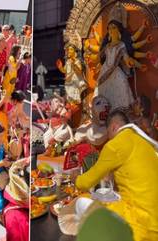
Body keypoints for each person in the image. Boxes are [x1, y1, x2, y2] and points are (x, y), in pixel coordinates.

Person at [75, 110, 158, 241]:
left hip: (141, 226)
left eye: (108, 133)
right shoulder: (142, 141)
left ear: (113, 127)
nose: (108, 138)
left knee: (81, 203)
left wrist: (76, 179)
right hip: (154, 220)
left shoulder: (116, 144)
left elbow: (85, 183)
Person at [94, 20, 135, 110]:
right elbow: (97, 59)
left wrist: (129, 62)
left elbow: (126, 57)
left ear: (118, 30)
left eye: (114, 28)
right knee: (104, 95)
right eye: (109, 28)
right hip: (104, 71)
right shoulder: (106, 46)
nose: (111, 30)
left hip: (116, 71)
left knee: (121, 91)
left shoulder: (121, 45)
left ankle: (120, 116)